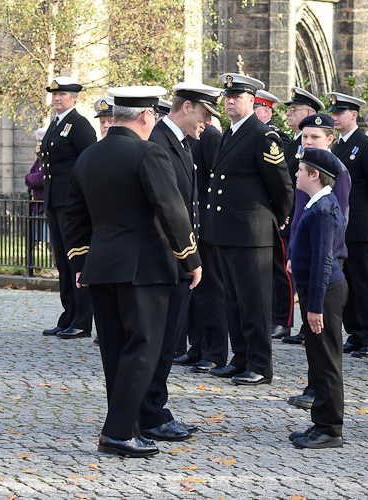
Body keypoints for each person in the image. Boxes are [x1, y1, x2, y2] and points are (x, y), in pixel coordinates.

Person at [63, 85, 202, 458]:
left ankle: (126, 424)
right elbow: (171, 210)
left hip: (101, 268)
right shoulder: (149, 152)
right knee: (142, 348)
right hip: (145, 270)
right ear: (145, 117)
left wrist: (80, 262)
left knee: (115, 351)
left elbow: (73, 218)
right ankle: (118, 431)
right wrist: (190, 257)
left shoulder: (89, 156)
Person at [139, 82, 220, 442]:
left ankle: (156, 408)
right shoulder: (159, 142)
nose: (206, 124)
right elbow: (166, 208)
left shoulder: (182, 143)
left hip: (176, 255)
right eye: (203, 115)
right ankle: (151, 415)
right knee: (161, 341)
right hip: (166, 257)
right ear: (186, 107)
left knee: (168, 341)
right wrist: (188, 257)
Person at [203, 73, 293, 386]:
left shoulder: (261, 134)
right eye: (227, 97)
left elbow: (282, 185)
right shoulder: (230, 133)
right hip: (228, 230)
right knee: (234, 300)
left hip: (252, 233)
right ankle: (240, 358)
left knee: (254, 301)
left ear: (251, 101)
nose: (229, 102)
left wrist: (279, 219)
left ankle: (260, 364)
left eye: (236, 97)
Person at [285, 113, 351, 411]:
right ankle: (316, 389)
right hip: (306, 253)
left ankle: (322, 398)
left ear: (330, 139)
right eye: (305, 137)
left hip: (325, 259)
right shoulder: (305, 172)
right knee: (315, 339)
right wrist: (292, 255)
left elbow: (332, 224)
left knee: (323, 337)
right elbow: (299, 216)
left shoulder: (330, 172)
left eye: (315, 137)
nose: (307, 142)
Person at [327, 91, 368, 360]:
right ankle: (356, 333)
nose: (335, 117)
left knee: (364, 282)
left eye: (340, 113)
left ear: (354, 115)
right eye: (334, 113)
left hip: (361, 226)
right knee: (346, 280)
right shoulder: (337, 146)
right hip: (341, 226)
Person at [40, 76, 97, 340]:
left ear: (74, 98)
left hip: (72, 204)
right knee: (62, 262)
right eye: (54, 94)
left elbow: (89, 163)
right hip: (55, 202)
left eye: (62, 94)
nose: (57, 98)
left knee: (76, 260)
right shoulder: (56, 124)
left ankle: (83, 320)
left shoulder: (79, 125)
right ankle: (68, 314)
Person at [178, 125, 229, 376]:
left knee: (211, 290)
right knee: (196, 292)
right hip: (193, 224)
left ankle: (215, 352)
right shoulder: (189, 136)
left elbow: (216, 180)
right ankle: (197, 347)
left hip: (207, 225)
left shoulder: (210, 136)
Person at [281, 87, 324, 344]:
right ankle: (303, 327)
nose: (288, 114)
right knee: (297, 270)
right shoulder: (295, 144)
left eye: (293, 110)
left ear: (309, 113)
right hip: (296, 215)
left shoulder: (320, 154)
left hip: (314, 218)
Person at [254, 89, 295, 341]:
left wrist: (283, 213)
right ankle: (268, 315)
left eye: (256, 106)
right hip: (260, 214)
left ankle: (284, 319)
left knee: (281, 270)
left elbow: (284, 181)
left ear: (266, 111)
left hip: (276, 214)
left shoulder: (277, 138)